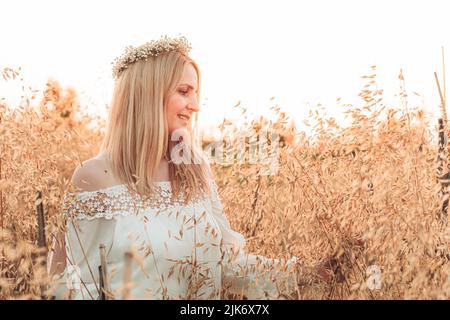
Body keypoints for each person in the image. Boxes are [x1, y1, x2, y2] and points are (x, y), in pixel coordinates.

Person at [47, 35, 335, 300]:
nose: (195, 105)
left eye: (195, 93)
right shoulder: (95, 179)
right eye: (184, 91)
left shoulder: (194, 170)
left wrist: (306, 274)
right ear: (147, 95)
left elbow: (228, 267)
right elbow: (73, 287)